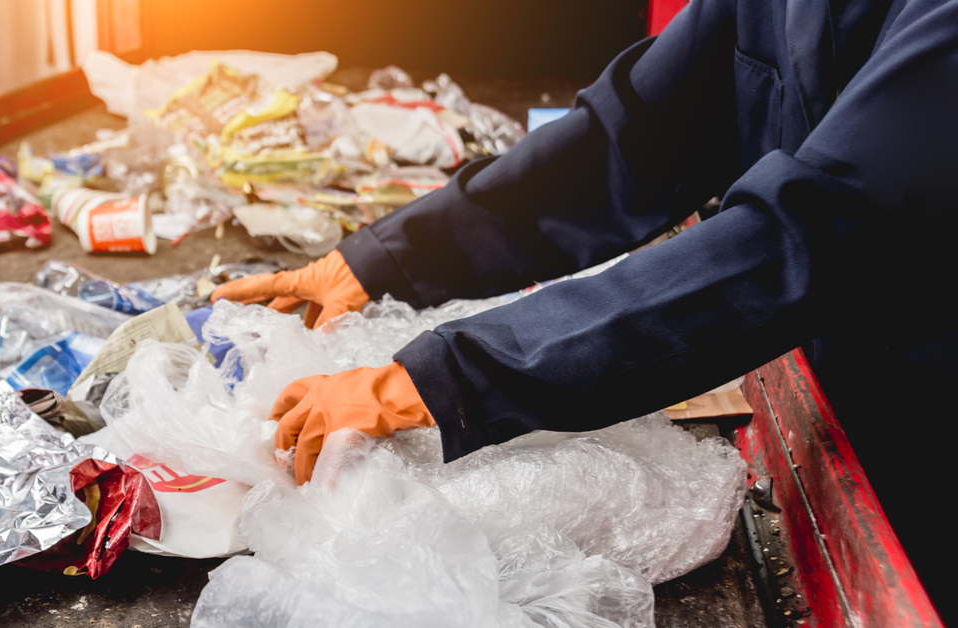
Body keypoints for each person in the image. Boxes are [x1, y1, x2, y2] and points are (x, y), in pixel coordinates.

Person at [214, 0, 956, 615]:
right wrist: (385, 258)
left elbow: (803, 234)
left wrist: (442, 376)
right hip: (834, 391)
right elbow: (627, 140)